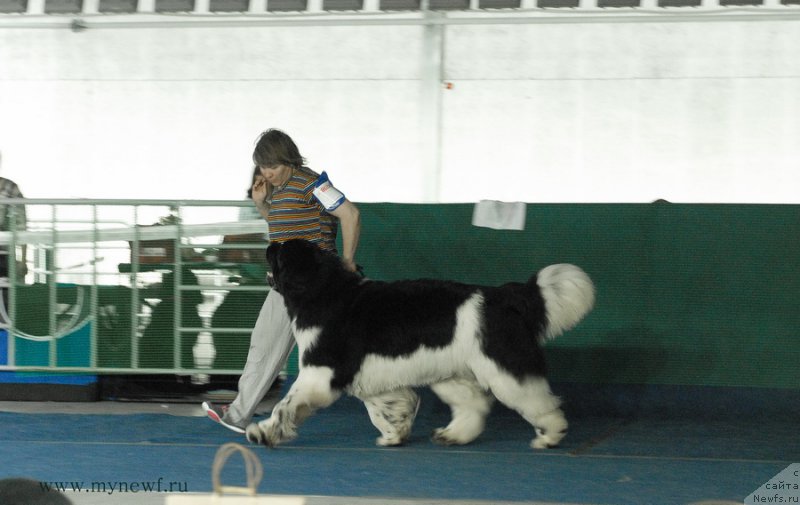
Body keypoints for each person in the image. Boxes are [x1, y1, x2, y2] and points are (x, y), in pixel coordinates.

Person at [203, 129, 362, 433]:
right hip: (285, 287)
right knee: (263, 346)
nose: (267, 174)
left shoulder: (314, 184)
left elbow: (351, 215)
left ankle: (396, 403)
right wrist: (262, 204)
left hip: (317, 289)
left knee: (342, 358)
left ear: (288, 159)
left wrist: (349, 262)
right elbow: (282, 228)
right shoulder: (276, 190)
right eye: (262, 167)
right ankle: (237, 415)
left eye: (272, 167)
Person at [0, 151, 27, 313]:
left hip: (2, 255)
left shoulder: (11, 188)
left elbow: (22, 226)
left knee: (5, 302)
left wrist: (23, 260)